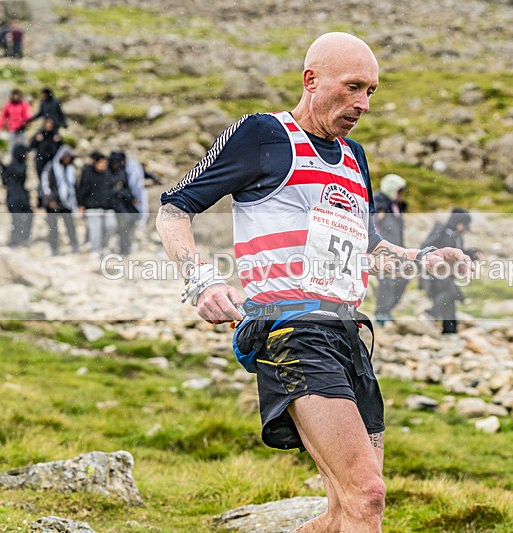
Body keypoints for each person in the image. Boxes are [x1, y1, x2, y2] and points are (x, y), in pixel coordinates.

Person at [155, 32, 473, 532]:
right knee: (367, 496)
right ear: (311, 80)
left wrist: (424, 258)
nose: (363, 103)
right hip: (293, 333)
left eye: (371, 91)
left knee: (345, 510)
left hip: (349, 335)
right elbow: (174, 209)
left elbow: (366, 243)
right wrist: (200, 281)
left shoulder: (355, 158)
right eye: (352, 87)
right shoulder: (264, 136)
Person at [420, 208, 473, 335]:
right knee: (451, 292)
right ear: (457, 222)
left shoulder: (458, 237)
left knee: (450, 300)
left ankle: (450, 330)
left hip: (448, 276)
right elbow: (425, 247)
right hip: (434, 274)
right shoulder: (441, 231)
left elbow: (460, 253)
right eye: (463, 225)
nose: (464, 228)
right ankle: (431, 314)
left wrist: (473, 254)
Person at [373, 173, 408, 324]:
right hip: (383, 251)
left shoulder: (396, 207)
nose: (401, 195)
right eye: (399, 191)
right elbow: (373, 227)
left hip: (397, 250)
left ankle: (388, 309)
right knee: (386, 281)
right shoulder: (379, 206)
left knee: (403, 278)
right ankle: (381, 313)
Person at [41, 145, 79, 256]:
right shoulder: (51, 167)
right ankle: (54, 248)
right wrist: (50, 200)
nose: (67, 160)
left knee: (70, 225)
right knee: (53, 227)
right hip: (53, 203)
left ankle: (74, 245)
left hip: (66, 202)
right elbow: (45, 185)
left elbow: (73, 186)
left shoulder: (71, 169)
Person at [77, 151, 114, 256]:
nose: (103, 165)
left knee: (111, 226)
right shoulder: (88, 173)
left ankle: (104, 247)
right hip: (92, 207)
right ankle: (95, 251)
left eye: (104, 163)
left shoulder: (107, 174)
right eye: (101, 163)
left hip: (107, 207)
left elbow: (110, 189)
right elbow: (82, 189)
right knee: (95, 231)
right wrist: (81, 205)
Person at [0, 143, 33, 247]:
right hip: (15, 196)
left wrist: (4, 168)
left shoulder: (19, 164)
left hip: (19, 195)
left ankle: (21, 238)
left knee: (26, 216)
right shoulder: (16, 165)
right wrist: (3, 169)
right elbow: (7, 181)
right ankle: (15, 240)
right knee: (17, 219)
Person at [108, 151, 138, 256]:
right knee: (120, 226)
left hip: (124, 203)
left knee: (127, 224)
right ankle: (121, 247)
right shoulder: (107, 172)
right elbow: (108, 189)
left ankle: (125, 248)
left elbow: (126, 187)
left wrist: (131, 197)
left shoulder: (121, 171)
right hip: (112, 204)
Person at [0, 88, 32, 158]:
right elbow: (3, 116)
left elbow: (28, 114)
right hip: (12, 128)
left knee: (22, 145)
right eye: (14, 95)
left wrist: (27, 122)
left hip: (21, 128)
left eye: (17, 95)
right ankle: (13, 160)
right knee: (12, 146)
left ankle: (22, 158)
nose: (16, 97)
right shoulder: (8, 105)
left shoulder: (23, 104)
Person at [28, 117, 63, 185]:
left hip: (52, 159)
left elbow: (61, 147)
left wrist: (59, 141)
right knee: (41, 177)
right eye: (47, 125)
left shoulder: (55, 135)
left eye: (50, 125)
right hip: (41, 159)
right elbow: (31, 146)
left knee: (52, 177)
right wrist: (36, 140)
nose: (49, 127)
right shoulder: (40, 134)